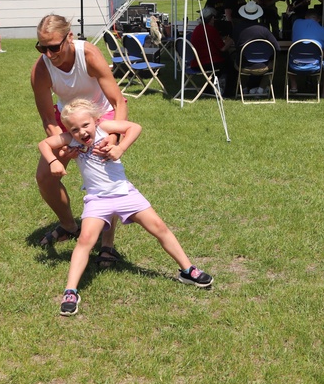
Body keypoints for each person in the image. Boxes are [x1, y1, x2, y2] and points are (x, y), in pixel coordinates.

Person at [44, 99, 213, 316]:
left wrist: (120, 147)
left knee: (159, 227)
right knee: (85, 240)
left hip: (125, 192)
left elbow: (135, 127)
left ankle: (188, 270)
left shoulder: (105, 128)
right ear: (69, 130)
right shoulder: (71, 141)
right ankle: (70, 291)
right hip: (97, 199)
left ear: (95, 120)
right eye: (74, 129)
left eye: (85, 125)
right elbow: (45, 144)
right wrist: (53, 161)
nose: (82, 132)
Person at [31, 14, 126, 266]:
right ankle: (69, 225)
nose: (49, 54)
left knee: (104, 178)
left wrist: (114, 138)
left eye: (54, 47)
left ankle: (107, 245)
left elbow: (117, 101)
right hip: (68, 120)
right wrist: (63, 146)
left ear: (69, 37)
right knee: (44, 177)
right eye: (42, 47)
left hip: (100, 116)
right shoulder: (41, 68)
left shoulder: (89, 55)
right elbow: (48, 118)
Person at [234, 1, 278, 96]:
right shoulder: (264, 28)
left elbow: (236, 47)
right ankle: (261, 88)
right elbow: (277, 48)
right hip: (263, 66)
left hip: (243, 65)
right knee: (274, 62)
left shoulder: (238, 28)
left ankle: (248, 87)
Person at [190, 7, 235, 94]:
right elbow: (223, 48)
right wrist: (231, 41)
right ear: (212, 18)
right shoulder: (210, 29)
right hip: (208, 62)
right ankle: (228, 92)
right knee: (230, 66)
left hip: (197, 62)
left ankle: (208, 88)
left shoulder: (197, 29)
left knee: (225, 63)